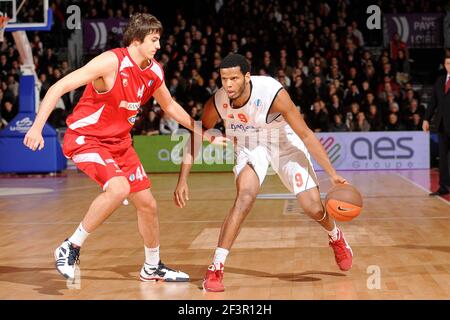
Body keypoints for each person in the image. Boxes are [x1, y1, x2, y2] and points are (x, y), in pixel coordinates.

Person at [23, 13, 219, 282]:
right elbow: (58, 87)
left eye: (159, 40)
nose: (158, 46)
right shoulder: (110, 62)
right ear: (137, 40)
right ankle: (71, 246)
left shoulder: (153, 70)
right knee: (119, 188)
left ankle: (152, 267)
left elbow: (170, 106)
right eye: (154, 40)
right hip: (86, 138)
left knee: (148, 205)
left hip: (120, 144)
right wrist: (36, 126)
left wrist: (202, 132)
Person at [174, 54, 352, 292]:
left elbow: (306, 134)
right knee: (245, 197)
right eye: (224, 78)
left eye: (234, 78)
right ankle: (216, 267)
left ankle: (335, 235)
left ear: (247, 77)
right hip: (249, 144)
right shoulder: (218, 100)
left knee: (314, 208)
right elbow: (198, 131)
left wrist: (332, 173)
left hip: (283, 142)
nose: (228, 85)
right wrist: (183, 178)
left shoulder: (272, 93)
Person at [423, 53, 450, 196]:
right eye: (447, 63)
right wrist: (426, 119)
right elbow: (433, 102)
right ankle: (443, 186)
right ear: (444, 65)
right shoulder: (439, 81)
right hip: (442, 125)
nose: (449, 66)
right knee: (443, 158)